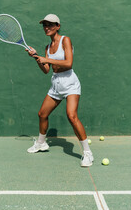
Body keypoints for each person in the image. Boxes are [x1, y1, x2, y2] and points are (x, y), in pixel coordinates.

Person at [25, 14, 93, 167]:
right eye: (44, 25)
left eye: (50, 25)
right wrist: (36, 57)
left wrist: (46, 59)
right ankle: (41, 143)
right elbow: (46, 70)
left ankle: (88, 153)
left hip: (70, 83)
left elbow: (68, 63)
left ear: (58, 26)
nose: (47, 27)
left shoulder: (65, 40)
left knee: (71, 116)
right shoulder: (47, 47)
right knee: (42, 114)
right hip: (56, 83)